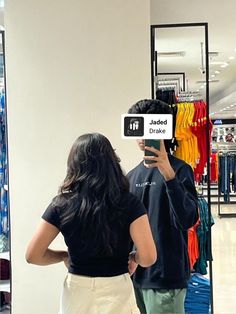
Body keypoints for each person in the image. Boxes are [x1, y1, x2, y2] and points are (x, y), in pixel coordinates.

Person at [26, 132, 157, 314]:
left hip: (77, 292)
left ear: (74, 165)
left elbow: (33, 255)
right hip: (118, 288)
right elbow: (149, 257)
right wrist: (134, 258)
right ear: (112, 162)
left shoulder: (61, 203)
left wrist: (63, 256)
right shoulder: (129, 203)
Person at [127, 99, 199, 314]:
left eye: (148, 127)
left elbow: (188, 219)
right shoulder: (131, 176)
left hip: (167, 275)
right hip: (136, 275)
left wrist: (169, 175)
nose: (141, 137)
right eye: (137, 128)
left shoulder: (180, 170)